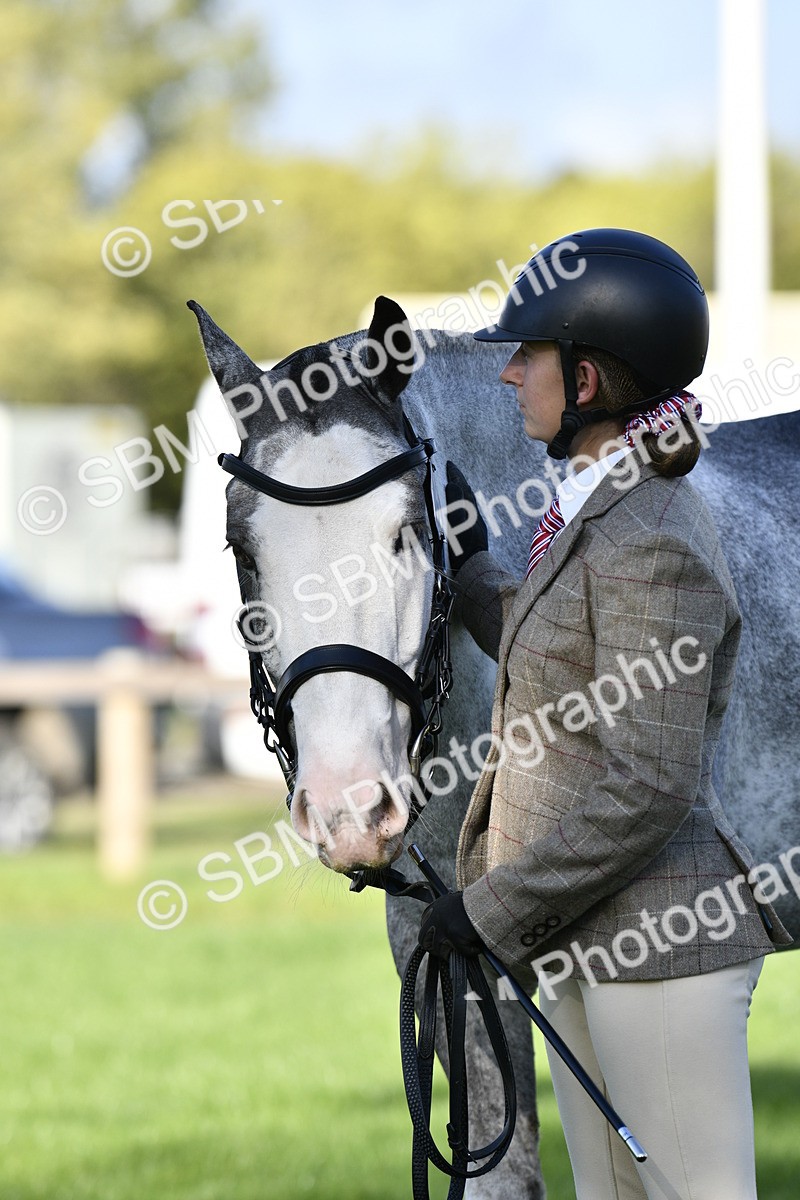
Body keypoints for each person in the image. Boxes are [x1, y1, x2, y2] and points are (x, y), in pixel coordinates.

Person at [418, 228, 792, 1200]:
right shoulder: (597, 507)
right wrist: (470, 576)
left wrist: (489, 908)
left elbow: (648, 781)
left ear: (586, 379)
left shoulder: (648, 532)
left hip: (659, 952)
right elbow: (580, 670)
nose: (505, 377)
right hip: (588, 938)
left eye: (526, 355)